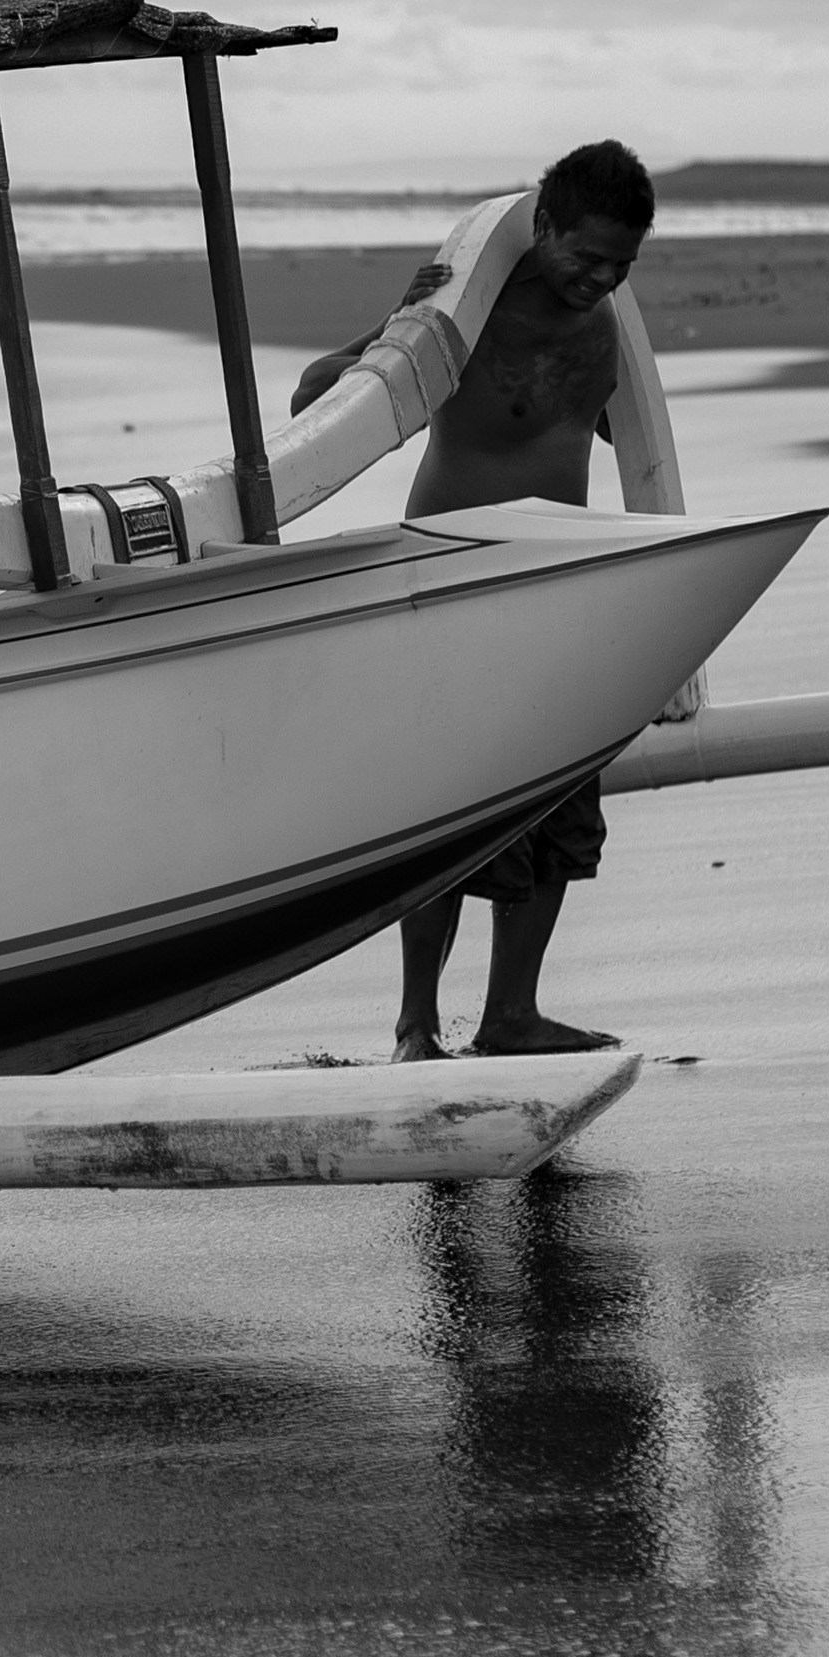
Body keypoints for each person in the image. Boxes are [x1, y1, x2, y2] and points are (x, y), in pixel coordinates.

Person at [293, 139, 685, 1060]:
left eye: (622, 264)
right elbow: (323, 393)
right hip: (453, 590)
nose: (602, 279)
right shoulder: (465, 312)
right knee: (453, 816)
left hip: (559, 593)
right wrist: (393, 342)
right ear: (541, 227)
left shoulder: (606, 330)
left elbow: (638, 453)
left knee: (558, 808)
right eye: (586, 256)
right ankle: (415, 1026)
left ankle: (513, 1014)